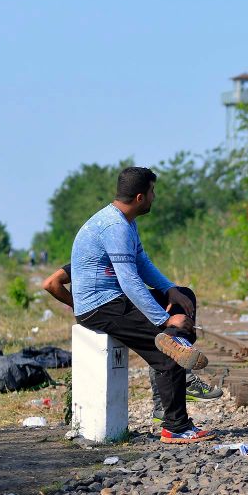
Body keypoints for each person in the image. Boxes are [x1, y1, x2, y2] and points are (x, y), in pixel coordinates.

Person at [71, 166, 216, 444]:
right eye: (152, 192)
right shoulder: (115, 227)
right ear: (140, 197)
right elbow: (129, 281)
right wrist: (163, 320)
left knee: (184, 297)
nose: (154, 197)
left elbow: (142, 264)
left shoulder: (124, 221)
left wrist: (170, 290)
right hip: (100, 307)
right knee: (169, 347)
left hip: (114, 300)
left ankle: (174, 358)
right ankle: (175, 426)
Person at [42, 264, 222, 422]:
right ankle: (177, 392)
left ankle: (178, 381)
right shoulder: (89, 260)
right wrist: (79, 305)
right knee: (162, 333)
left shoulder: (117, 254)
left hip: (121, 307)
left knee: (183, 297)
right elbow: (51, 283)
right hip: (108, 312)